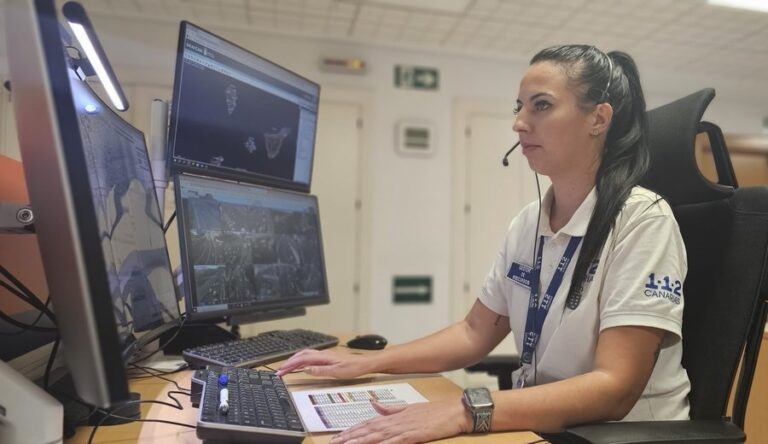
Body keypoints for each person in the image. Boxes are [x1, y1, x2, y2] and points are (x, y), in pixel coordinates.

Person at [277, 45, 690, 443]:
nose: (519, 123)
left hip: (620, 436)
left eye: (541, 105)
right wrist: (368, 362)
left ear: (598, 119)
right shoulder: (528, 223)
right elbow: (473, 332)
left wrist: (464, 410)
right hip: (547, 425)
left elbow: (615, 387)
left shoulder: (643, 222)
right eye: (519, 107)